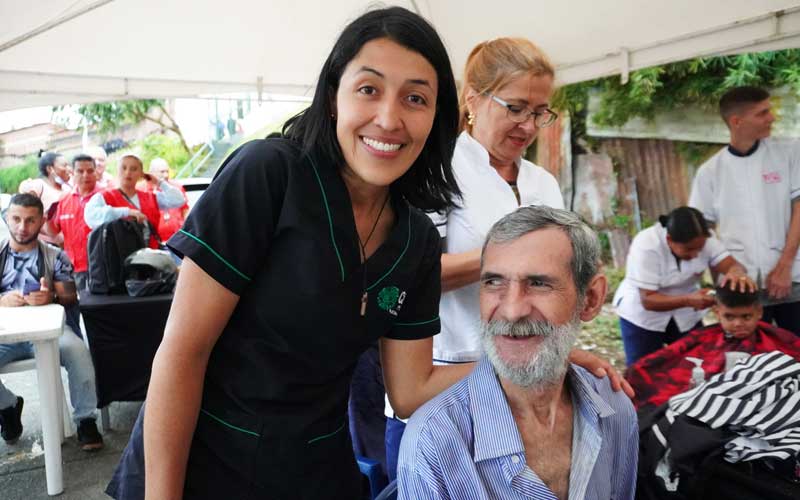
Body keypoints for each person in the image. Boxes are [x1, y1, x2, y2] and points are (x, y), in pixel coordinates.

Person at [106, 9, 624, 500]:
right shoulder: (270, 175)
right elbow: (181, 353)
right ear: (334, 96)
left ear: (437, 117)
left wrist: (525, 357)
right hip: (199, 463)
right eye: (369, 90)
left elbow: (411, 389)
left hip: (315, 470)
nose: (389, 118)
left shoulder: (416, 238)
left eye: (415, 99)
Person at [384, 37, 573, 480]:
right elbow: (410, 276)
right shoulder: (435, 169)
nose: (529, 125)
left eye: (540, 112)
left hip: (525, 380)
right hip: (445, 375)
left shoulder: (542, 182)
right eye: (515, 107)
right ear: (473, 99)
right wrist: (508, 257)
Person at [397, 206, 638, 500]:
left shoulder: (614, 409)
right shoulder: (434, 441)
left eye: (538, 283)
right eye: (493, 282)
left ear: (590, 299)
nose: (511, 311)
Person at [689, 86, 800, 333]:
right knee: (746, 360)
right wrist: (730, 269)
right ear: (737, 121)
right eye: (762, 113)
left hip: (791, 276)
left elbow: (799, 209)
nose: (771, 118)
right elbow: (702, 231)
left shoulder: (790, 152)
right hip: (739, 285)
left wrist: (784, 266)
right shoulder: (709, 172)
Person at [0, 193, 103, 451]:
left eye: (30, 220)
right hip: (6, 334)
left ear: (41, 221)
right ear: (6, 219)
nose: (22, 227)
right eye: (16, 219)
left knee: (78, 352)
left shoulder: (55, 256)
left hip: (51, 332)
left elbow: (69, 294)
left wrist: (51, 295)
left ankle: (86, 420)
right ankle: (8, 406)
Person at [613, 206, 755, 365]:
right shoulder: (646, 244)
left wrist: (736, 272)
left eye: (699, 249)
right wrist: (688, 300)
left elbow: (732, 266)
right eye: (689, 249)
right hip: (642, 316)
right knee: (644, 371)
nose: (695, 254)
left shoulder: (707, 239)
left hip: (686, 313)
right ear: (669, 239)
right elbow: (648, 300)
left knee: (694, 365)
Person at [627, 285, 800, 411]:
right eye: (729, 317)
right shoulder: (702, 338)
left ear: (759, 312)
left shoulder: (780, 340)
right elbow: (659, 362)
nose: (738, 324)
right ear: (717, 313)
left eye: (746, 316)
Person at [84, 153, 185, 249]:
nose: (128, 173)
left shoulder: (151, 198)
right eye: (124, 168)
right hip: (118, 257)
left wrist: (159, 182)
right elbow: (90, 217)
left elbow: (179, 200)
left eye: (134, 169)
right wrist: (126, 212)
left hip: (150, 257)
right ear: (117, 171)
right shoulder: (104, 197)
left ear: (141, 174)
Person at [46, 154, 101, 291]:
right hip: (74, 269)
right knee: (79, 308)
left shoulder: (106, 197)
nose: (85, 175)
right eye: (80, 171)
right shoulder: (64, 200)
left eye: (90, 171)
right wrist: (47, 219)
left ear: (96, 172)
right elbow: (53, 231)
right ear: (73, 173)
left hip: (103, 268)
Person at [18, 152, 70, 246]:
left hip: (67, 244)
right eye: (64, 166)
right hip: (45, 244)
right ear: (50, 169)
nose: (69, 169)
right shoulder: (39, 185)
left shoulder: (67, 188)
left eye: (68, 165)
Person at [143, 157, 188, 242]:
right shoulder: (144, 190)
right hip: (156, 242)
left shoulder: (176, 188)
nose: (166, 175)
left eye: (167, 171)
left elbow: (185, 211)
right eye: (162, 172)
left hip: (178, 240)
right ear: (151, 173)